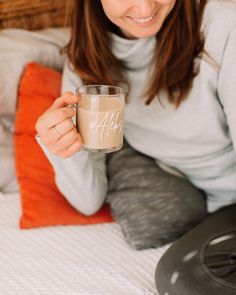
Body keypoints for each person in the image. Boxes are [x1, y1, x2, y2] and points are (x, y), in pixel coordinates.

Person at [35, 0, 236, 294]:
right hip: (225, 208)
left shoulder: (223, 25)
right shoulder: (87, 64)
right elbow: (88, 201)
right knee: (182, 277)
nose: (145, 8)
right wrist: (62, 149)